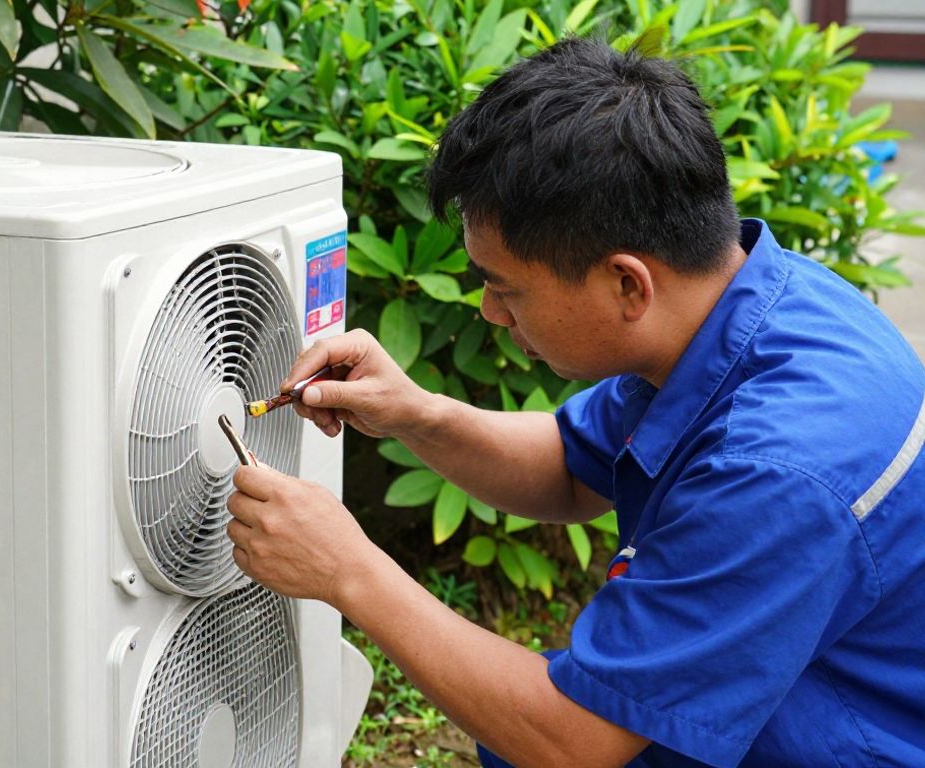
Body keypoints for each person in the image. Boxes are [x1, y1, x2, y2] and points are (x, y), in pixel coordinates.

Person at [225, 37, 925, 767]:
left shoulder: (776, 468)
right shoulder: (751, 303)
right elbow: (570, 467)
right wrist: (416, 414)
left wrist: (347, 570)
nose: (491, 311)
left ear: (627, 284)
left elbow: (575, 744)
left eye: (506, 288)